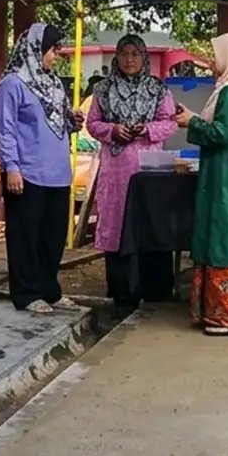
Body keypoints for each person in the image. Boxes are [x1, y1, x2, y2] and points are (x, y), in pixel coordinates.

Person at [173, 33, 228, 335]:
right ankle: (223, 312)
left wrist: (191, 122)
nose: (212, 63)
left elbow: (221, 134)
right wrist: (196, 120)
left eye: (217, 56)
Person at [0, 23, 83, 314]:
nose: (56, 55)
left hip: (56, 173)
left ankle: (49, 289)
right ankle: (26, 293)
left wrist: (73, 121)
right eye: (52, 49)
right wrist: (12, 167)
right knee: (26, 236)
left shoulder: (54, 83)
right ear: (35, 48)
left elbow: (56, 124)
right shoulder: (12, 84)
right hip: (27, 172)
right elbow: (5, 130)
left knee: (52, 236)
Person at [85, 34, 177, 309]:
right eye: (124, 54)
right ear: (117, 57)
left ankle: (155, 291)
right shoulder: (102, 89)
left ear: (144, 57)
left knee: (149, 223)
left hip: (150, 168)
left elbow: (170, 122)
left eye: (135, 54)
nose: (129, 60)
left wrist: (146, 130)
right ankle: (123, 292)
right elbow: (92, 124)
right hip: (116, 171)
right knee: (118, 225)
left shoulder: (158, 89)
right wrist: (113, 130)